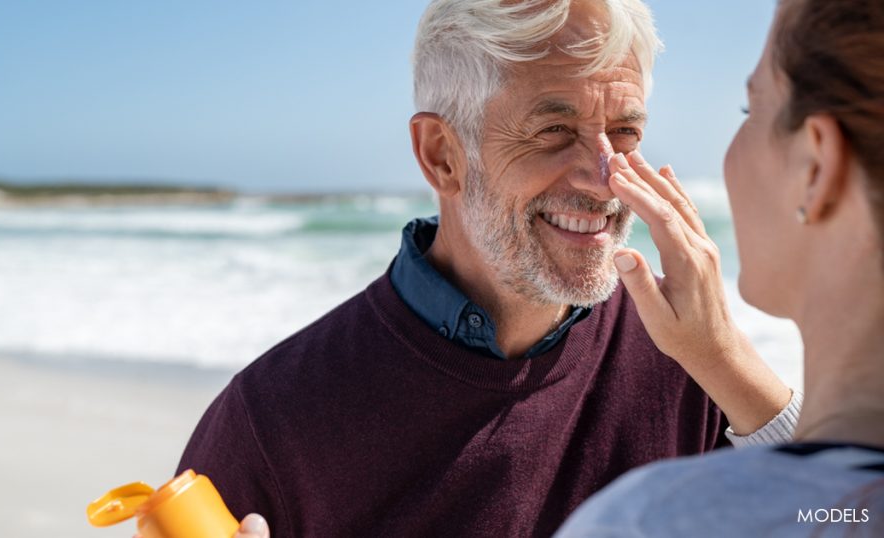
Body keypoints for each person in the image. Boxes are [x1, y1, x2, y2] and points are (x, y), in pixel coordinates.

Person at [177, 1, 802, 536]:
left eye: (626, 132)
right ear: (442, 156)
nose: (604, 178)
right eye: (554, 131)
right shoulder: (272, 421)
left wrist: (727, 364)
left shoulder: (687, 362)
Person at [555, 0, 884, 536]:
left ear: (815, 167)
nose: (604, 171)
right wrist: (719, 356)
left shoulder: (651, 521)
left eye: (749, 111)